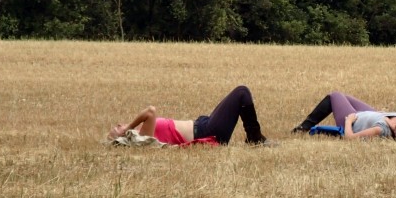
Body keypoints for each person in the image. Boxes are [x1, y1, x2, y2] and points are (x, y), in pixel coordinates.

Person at [108, 85, 274, 146]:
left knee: (239, 94)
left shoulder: (144, 133)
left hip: (204, 124)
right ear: (122, 137)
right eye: (117, 128)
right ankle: (254, 137)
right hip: (207, 131)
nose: (119, 124)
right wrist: (129, 127)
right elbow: (150, 111)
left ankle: (254, 137)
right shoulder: (143, 137)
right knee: (242, 92)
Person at [290, 91, 396, 141]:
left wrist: (348, 121)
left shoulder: (381, 129)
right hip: (371, 113)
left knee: (335, 96)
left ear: (395, 132)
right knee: (345, 97)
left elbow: (350, 138)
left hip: (354, 120)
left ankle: (304, 127)